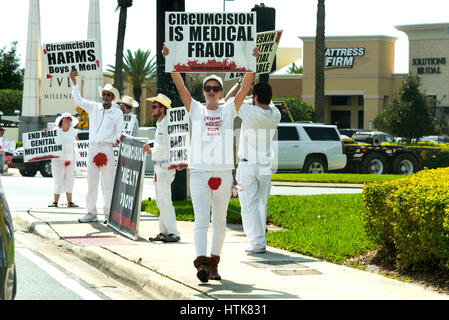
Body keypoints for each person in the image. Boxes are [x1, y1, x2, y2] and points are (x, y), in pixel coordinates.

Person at [162, 43, 257, 282]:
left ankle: (214, 263)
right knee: (202, 220)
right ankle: (202, 263)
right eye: (208, 88)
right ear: (203, 91)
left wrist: (252, 62)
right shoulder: (195, 109)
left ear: (220, 91)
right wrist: (171, 59)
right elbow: (180, 85)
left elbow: (245, 86)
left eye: (216, 88)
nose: (212, 91)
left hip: (224, 173)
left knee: (221, 221)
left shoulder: (228, 110)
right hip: (199, 173)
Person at [233, 82, 281, 253]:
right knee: (261, 204)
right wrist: (255, 90)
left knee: (248, 205)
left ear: (255, 98)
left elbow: (229, 100)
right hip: (265, 167)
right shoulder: (276, 114)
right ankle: (260, 239)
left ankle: (258, 242)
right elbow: (268, 101)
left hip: (248, 165)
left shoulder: (249, 111)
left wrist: (242, 84)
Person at [69, 70, 123, 223]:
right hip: (93, 148)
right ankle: (91, 213)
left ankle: (108, 214)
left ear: (113, 98)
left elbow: (119, 130)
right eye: (104, 94)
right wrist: (74, 81)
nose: (105, 97)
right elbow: (78, 101)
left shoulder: (117, 112)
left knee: (107, 183)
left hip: (107, 148)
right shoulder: (93, 107)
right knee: (91, 182)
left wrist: (117, 139)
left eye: (108, 95)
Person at [143, 93, 180, 243]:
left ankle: (173, 232)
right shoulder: (161, 124)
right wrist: (152, 148)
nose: (152, 109)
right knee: (161, 201)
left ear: (163, 109)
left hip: (165, 165)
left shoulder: (167, 124)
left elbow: (166, 146)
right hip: (160, 166)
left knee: (164, 200)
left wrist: (151, 150)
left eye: (154, 106)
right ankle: (164, 232)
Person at [46, 112, 80, 208]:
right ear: (62, 120)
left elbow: (78, 143)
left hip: (70, 159)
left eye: (70, 119)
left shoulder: (73, 131)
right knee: (58, 179)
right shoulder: (55, 130)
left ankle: (70, 202)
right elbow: (49, 140)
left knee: (70, 179)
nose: (69, 120)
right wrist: (46, 133)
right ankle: (55, 202)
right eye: (67, 118)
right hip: (58, 160)